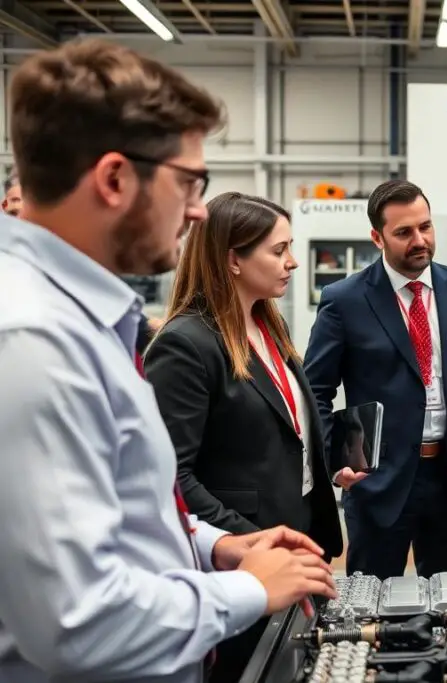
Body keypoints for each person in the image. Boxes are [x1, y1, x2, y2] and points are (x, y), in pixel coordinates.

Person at [0, 39, 337, 683]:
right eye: (189, 182)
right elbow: (76, 621)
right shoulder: (32, 342)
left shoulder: (86, 320)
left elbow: (132, 511)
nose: (199, 210)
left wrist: (217, 545)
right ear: (115, 179)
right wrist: (247, 590)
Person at [144, 192, 345, 683]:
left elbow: (284, 432)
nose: (293, 262)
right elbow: (172, 476)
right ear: (233, 259)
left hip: (296, 543)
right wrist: (246, 541)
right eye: (279, 250)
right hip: (243, 562)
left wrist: (333, 457)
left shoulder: (267, 325)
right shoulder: (187, 344)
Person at [304, 179, 447, 580]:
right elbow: (315, 391)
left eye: (425, 227)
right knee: (371, 603)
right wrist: (337, 462)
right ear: (377, 237)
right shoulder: (345, 300)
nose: (420, 240)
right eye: (404, 232)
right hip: (377, 483)